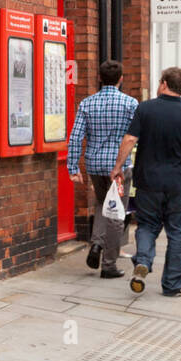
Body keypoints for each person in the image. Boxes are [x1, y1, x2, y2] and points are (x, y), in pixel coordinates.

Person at [110, 67, 181, 297]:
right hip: (177, 185)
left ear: (164, 83)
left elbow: (129, 139)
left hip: (148, 182)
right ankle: (172, 285)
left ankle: (144, 262)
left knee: (147, 226)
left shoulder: (145, 108)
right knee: (177, 234)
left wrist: (118, 166)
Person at [67, 60, 138, 279]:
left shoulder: (87, 104)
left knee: (101, 203)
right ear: (121, 79)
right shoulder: (130, 104)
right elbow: (135, 136)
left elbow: (76, 136)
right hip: (119, 166)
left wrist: (72, 167)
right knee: (116, 213)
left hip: (94, 165)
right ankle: (109, 265)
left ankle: (96, 244)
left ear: (99, 78)